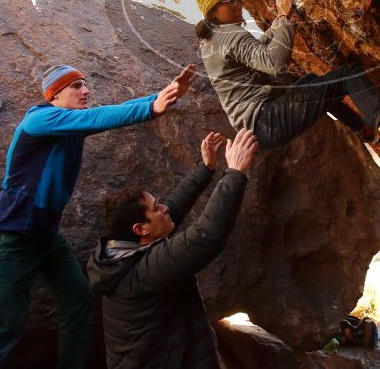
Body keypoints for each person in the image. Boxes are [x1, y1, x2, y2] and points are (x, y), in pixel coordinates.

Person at [0, 63, 196, 369]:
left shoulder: (68, 127)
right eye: (76, 86)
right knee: (2, 328)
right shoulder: (39, 119)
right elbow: (97, 117)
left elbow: (111, 111)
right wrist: (151, 109)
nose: (86, 90)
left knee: (77, 299)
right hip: (12, 237)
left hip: (44, 236)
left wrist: (164, 95)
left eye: (84, 84)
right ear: (55, 94)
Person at [192, 0, 380, 150]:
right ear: (212, 10)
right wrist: (282, 16)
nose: (239, 4)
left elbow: (252, 53)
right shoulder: (228, 34)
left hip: (260, 128)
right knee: (348, 74)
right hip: (267, 118)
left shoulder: (211, 37)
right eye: (231, 1)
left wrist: (280, 22)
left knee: (312, 83)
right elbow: (274, 64)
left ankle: (364, 129)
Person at [87, 129, 258, 369]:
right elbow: (205, 236)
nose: (164, 208)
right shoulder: (143, 272)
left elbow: (172, 207)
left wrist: (206, 169)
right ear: (141, 229)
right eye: (156, 208)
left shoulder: (119, 254)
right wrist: (235, 173)